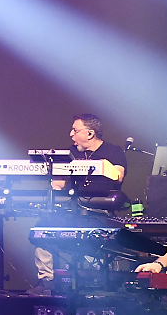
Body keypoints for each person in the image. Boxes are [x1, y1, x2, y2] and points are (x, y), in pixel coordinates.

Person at [32, 114, 128, 284]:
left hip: (99, 212)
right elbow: (59, 182)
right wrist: (55, 186)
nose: (71, 134)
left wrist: (96, 166)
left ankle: (95, 282)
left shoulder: (114, 151)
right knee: (41, 230)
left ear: (90, 133)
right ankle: (46, 281)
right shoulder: (72, 153)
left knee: (93, 240)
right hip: (72, 209)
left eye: (75, 130)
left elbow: (118, 175)